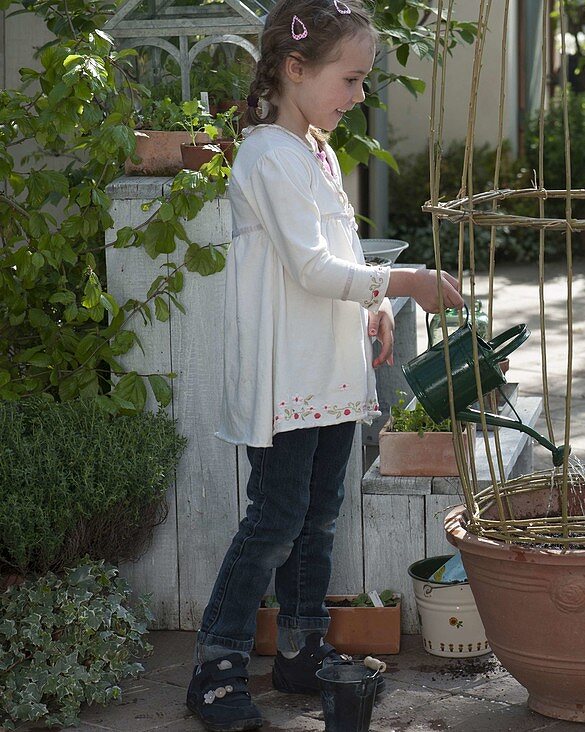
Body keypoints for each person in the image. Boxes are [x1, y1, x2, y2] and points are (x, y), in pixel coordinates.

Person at [184, 0, 464, 728]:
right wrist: (405, 285)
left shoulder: (316, 149)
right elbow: (309, 267)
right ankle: (216, 667)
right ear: (294, 69)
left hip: (330, 375)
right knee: (274, 521)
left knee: (319, 517)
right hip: (286, 379)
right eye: (352, 78)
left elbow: (335, 256)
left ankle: (302, 650)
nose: (359, 95)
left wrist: (371, 307)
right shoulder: (266, 155)